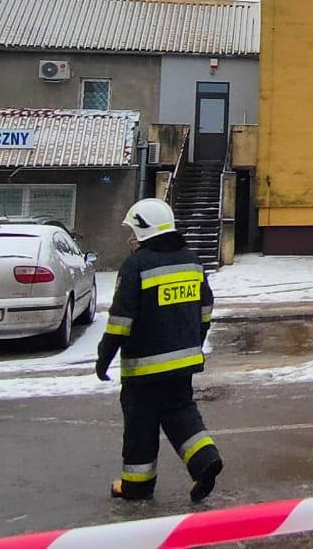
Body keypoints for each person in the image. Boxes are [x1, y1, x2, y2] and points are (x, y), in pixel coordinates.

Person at [96, 198, 223, 503]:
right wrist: (194, 342)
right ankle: (205, 460)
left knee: (141, 424)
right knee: (181, 412)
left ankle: (136, 485)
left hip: (144, 368)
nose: (131, 238)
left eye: (133, 231)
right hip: (183, 362)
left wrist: (104, 358)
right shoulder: (192, 261)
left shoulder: (136, 265)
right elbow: (205, 309)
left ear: (144, 230)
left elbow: (120, 320)